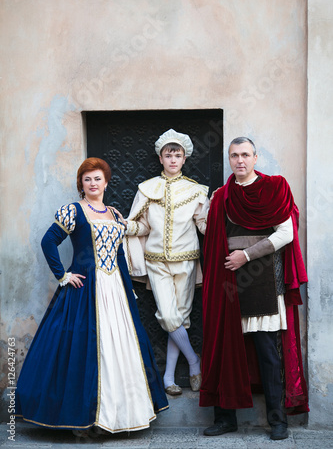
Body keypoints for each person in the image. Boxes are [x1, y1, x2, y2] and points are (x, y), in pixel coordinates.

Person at [15, 157, 168, 437]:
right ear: (81, 184)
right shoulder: (73, 211)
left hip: (116, 291)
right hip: (85, 289)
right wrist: (63, 275)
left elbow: (120, 255)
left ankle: (120, 416)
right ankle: (83, 419)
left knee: (120, 347)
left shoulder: (114, 213)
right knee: (83, 348)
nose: (93, 183)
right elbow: (48, 241)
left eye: (97, 178)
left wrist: (127, 286)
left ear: (106, 182)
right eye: (87, 179)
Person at [200, 137, 309, 441]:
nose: (240, 161)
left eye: (245, 154)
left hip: (262, 279)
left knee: (268, 353)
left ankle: (277, 420)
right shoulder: (222, 196)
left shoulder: (275, 187)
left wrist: (246, 255)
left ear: (255, 157)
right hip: (228, 282)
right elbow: (212, 235)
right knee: (226, 350)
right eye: (234, 156)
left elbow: (286, 232)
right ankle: (225, 419)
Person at [122, 129, 209, 396]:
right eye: (168, 155)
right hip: (156, 262)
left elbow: (204, 226)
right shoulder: (147, 189)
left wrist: (221, 215)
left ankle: (169, 377)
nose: (173, 159)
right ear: (160, 158)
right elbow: (141, 226)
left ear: (185, 159)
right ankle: (195, 361)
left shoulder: (196, 191)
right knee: (169, 316)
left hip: (186, 261)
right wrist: (121, 225)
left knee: (180, 318)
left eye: (177, 155)